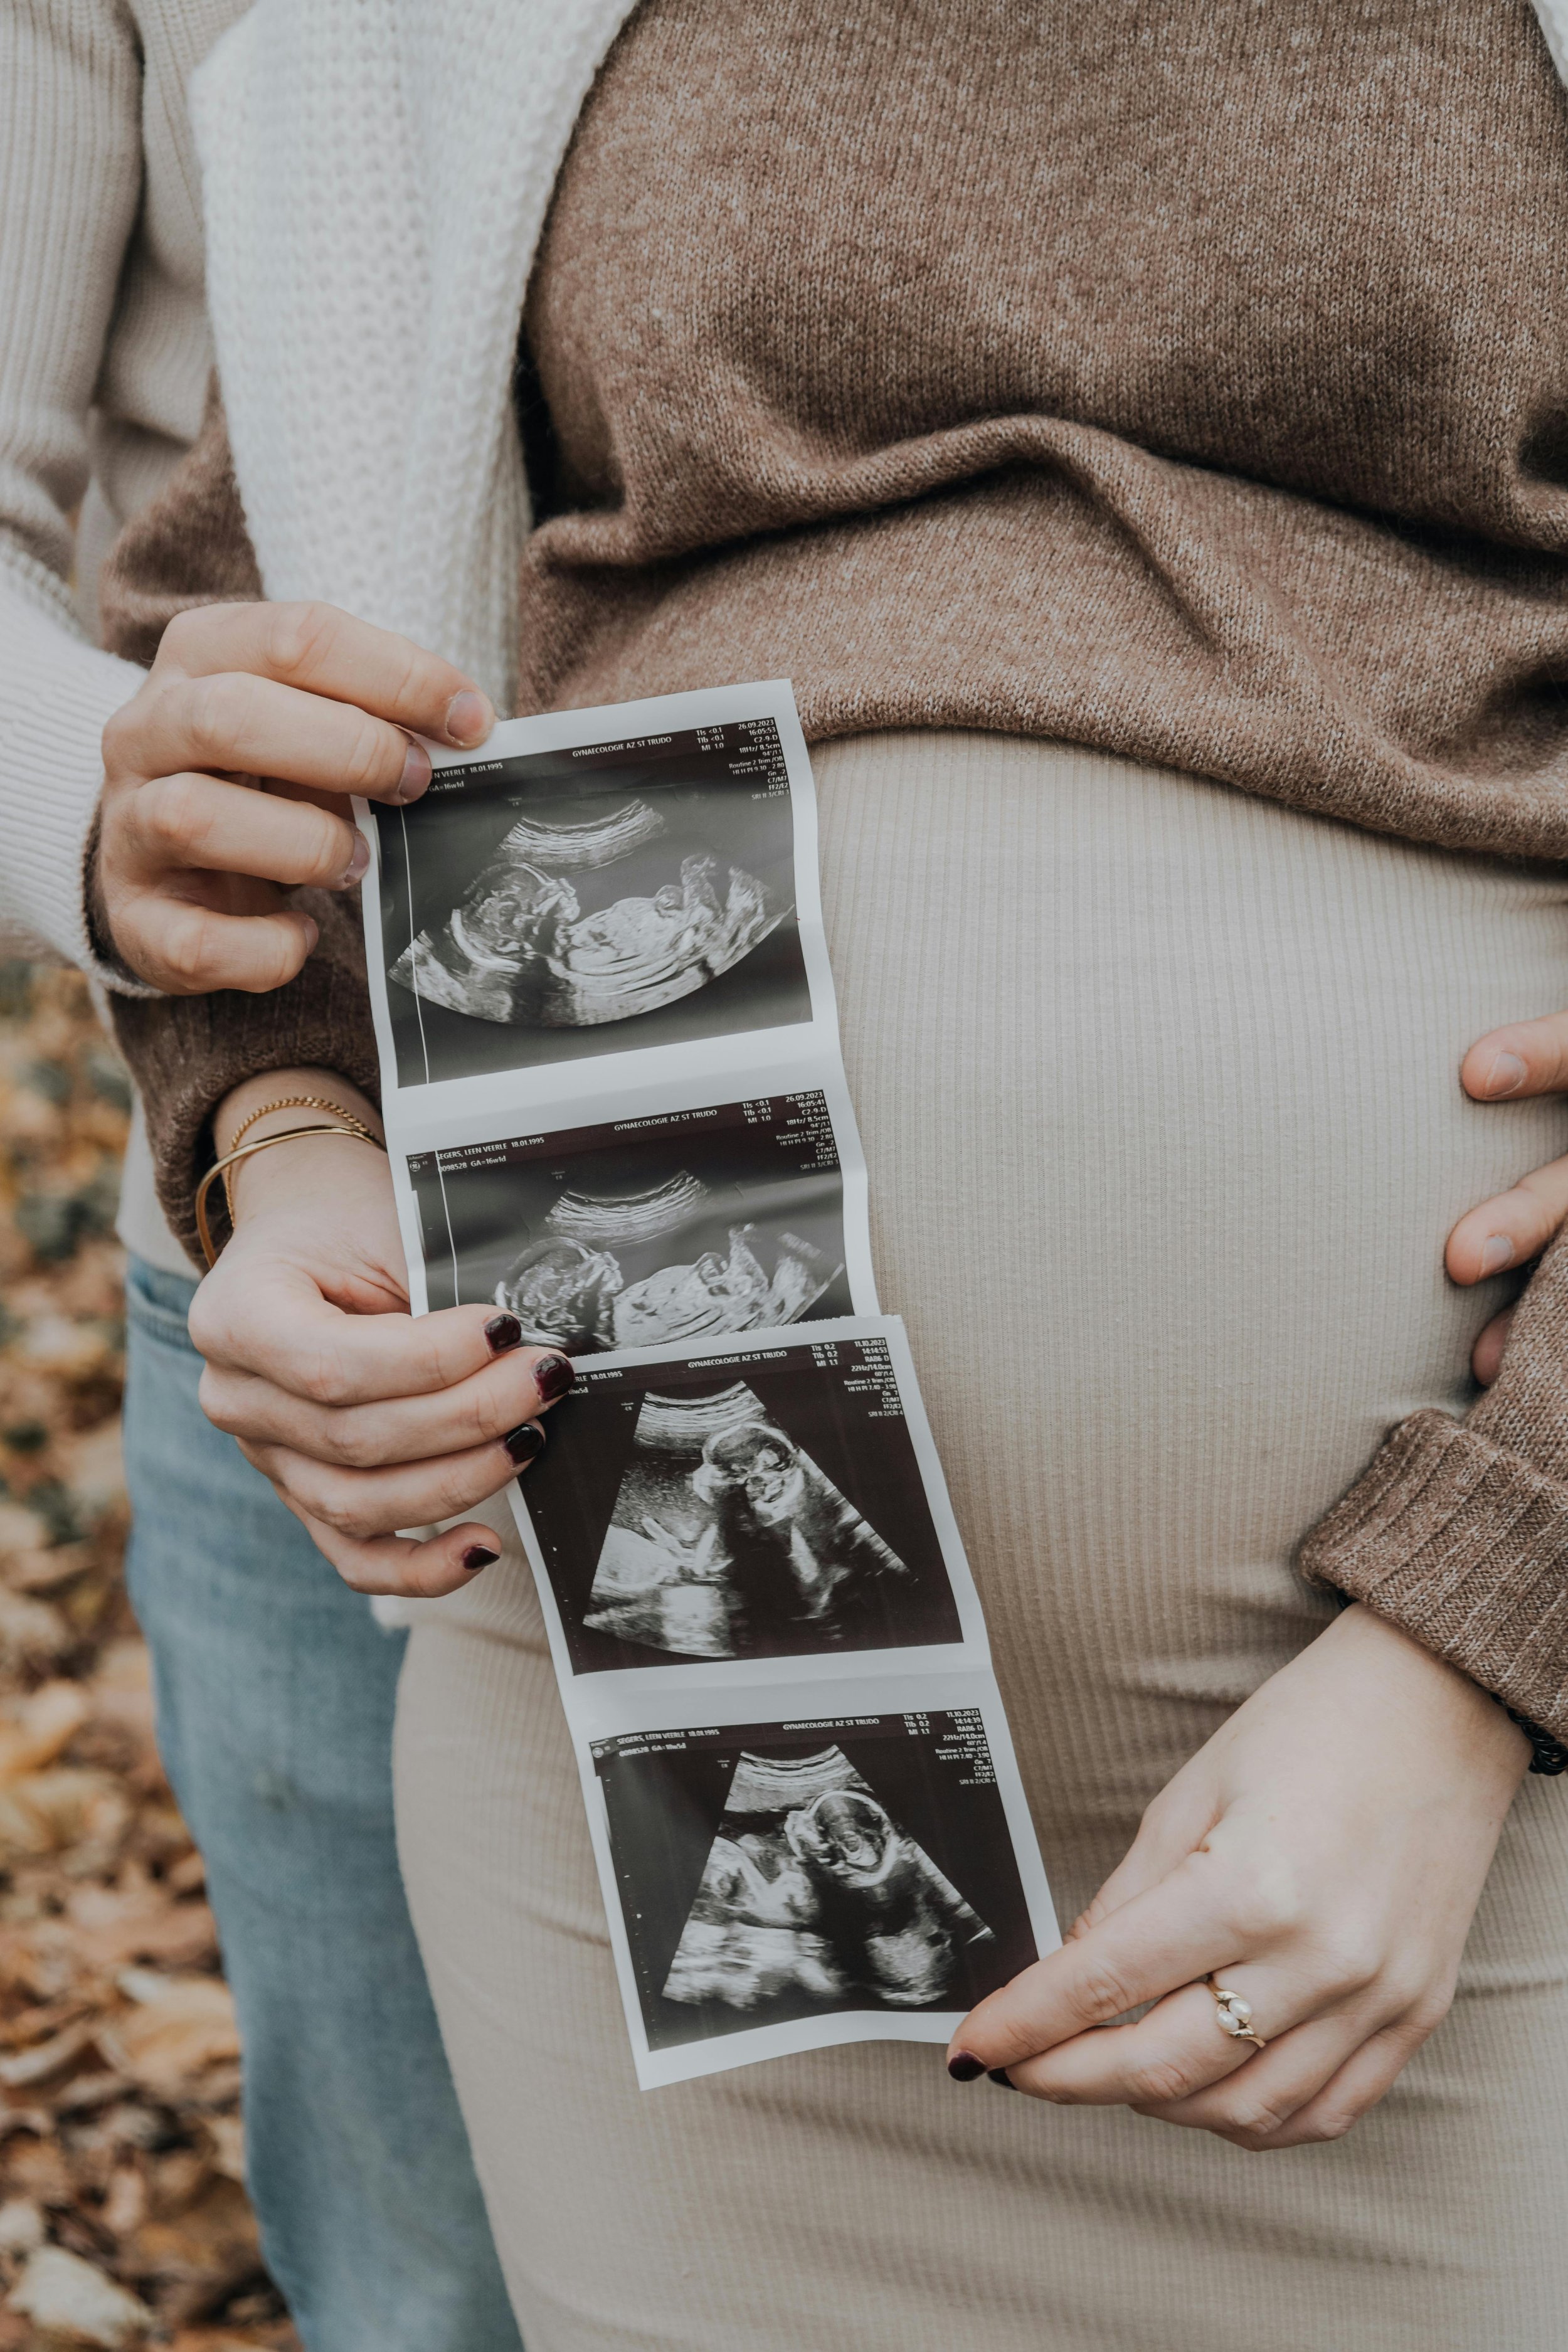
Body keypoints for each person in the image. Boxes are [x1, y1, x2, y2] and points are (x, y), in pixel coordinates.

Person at [11, 1, 1568, 2346]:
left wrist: (1490, 1621)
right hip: (659, 1721)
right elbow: (264, 619)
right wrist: (292, 1130)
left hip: (1463, 1761)